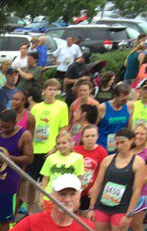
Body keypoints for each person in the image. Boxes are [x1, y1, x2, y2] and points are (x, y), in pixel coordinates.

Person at [89, 129, 145, 231]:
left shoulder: (138, 162)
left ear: (132, 141)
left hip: (121, 208)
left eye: (123, 142)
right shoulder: (107, 160)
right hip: (102, 205)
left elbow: (137, 190)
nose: (119, 146)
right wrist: (92, 207)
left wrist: (129, 214)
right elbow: (98, 183)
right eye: (117, 142)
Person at [27, 79, 70, 214]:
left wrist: (56, 148)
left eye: (55, 90)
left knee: (50, 182)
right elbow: (31, 128)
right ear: (43, 91)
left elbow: (63, 129)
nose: (52, 92)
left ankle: (49, 210)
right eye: (50, 89)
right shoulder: (36, 108)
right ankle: (29, 211)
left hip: (51, 150)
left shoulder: (62, 106)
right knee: (32, 183)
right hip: (35, 149)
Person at [39, 131, 85, 197]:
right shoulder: (50, 158)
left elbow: (79, 180)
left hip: (68, 196)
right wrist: (41, 197)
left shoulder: (78, 158)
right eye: (58, 143)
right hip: (50, 196)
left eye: (64, 143)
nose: (61, 146)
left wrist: (77, 197)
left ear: (70, 143)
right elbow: (45, 179)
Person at [75, 124, 107, 217]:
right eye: (87, 136)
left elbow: (103, 173)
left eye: (92, 136)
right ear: (82, 138)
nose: (90, 139)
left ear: (97, 137)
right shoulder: (75, 150)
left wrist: (96, 188)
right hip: (77, 190)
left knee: (85, 219)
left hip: (91, 192)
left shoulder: (102, 152)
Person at [96, 83, 132, 155]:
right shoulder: (102, 108)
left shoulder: (129, 106)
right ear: (115, 97)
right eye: (123, 100)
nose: (125, 102)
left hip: (120, 147)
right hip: (103, 145)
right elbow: (93, 127)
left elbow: (129, 128)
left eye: (127, 99)